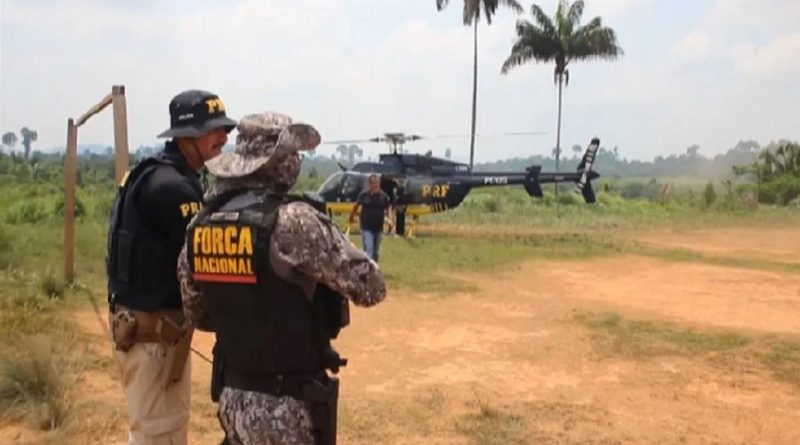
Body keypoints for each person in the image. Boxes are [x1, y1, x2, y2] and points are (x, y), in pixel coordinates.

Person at [177, 112, 386, 445]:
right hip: (289, 409)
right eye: (292, 154)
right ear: (276, 163)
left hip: (234, 402)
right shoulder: (292, 221)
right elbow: (371, 287)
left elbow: (198, 314)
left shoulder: (200, 225)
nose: (297, 162)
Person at [106, 89, 236, 445]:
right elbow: (208, 267)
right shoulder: (173, 189)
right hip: (154, 342)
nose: (224, 137)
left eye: (225, 128)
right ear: (185, 137)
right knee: (159, 437)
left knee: (152, 434)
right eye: (213, 130)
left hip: (149, 336)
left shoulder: (155, 174)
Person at [349, 174, 392, 262]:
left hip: (378, 228)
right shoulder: (364, 194)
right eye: (373, 183)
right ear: (369, 184)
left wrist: (390, 219)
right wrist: (351, 217)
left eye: (377, 183)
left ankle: (371, 266)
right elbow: (356, 206)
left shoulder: (383, 196)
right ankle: (369, 271)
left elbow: (388, 208)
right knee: (369, 249)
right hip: (366, 227)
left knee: (375, 252)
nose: (376, 185)